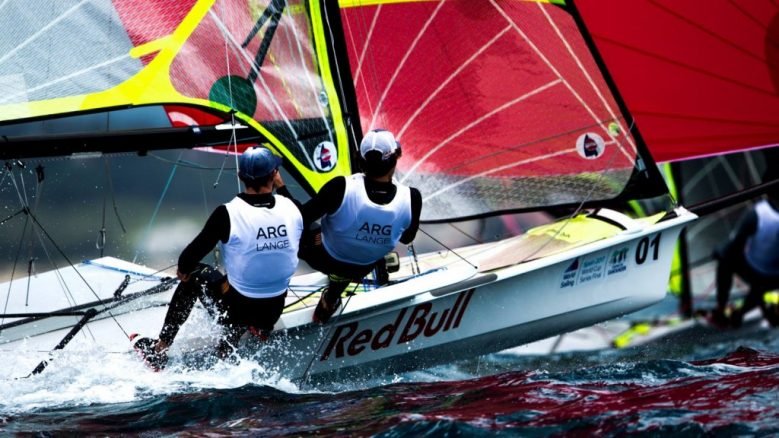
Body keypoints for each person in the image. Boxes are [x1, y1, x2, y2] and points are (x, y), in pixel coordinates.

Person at [138, 146, 304, 370]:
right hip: (271, 314)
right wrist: (282, 187)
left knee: (196, 273)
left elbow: (187, 259)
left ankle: (160, 350)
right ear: (274, 175)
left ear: (240, 177)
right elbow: (307, 226)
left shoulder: (228, 213)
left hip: (238, 310)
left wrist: (184, 273)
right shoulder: (292, 208)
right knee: (244, 286)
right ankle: (249, 333)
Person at [301, 129, 422, 324]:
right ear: (397, 156)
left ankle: (266, 296)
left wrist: (282, 189)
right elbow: (407, 238)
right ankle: (330, 299)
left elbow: (297, 218)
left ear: (359, 159)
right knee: (362, 252)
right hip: (363, 267)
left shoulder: (341, 187)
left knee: (301, 225)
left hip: (323, 257)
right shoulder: (412, 197)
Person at [710, 190, 779, 329]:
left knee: (725, 261)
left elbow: (734, 247)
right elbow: (736, 246)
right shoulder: (758, 213)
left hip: (769, 276)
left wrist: (721, 253)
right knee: (727, 262)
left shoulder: (757, 212)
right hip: (760, 272)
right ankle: (731, 312)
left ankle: (727, 312)